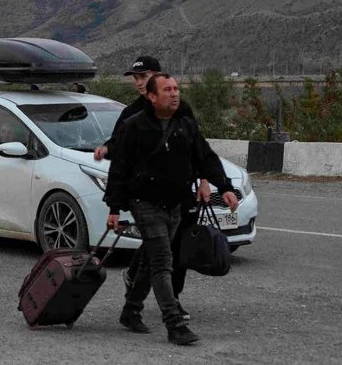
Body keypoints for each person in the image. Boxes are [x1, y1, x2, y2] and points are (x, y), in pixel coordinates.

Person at [104, 74, 239, 346]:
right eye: (167, 90)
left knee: (148, 261)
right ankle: (174, 324)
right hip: (144, 203)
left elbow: (206, 157)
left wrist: (224, 187)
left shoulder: (185, 126)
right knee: (163, 261)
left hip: (175, 205)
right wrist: (115, 208)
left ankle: (130, 312)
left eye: (176, 89)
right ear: (152, 97)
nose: (175, 94)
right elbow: (119, 169)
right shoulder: (134, 127)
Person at [96, 55, 209, 319]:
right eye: (135, 78)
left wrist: (204, 180)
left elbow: (197, 147)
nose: (138, 82)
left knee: (171, 246)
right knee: (161, 251)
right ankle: (171, 310)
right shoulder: (130, 114)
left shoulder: (180, 108)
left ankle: (136, 284)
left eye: (144, 76)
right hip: (145, 195)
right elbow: (119, 150)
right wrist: (106, 151)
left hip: (180, 192)